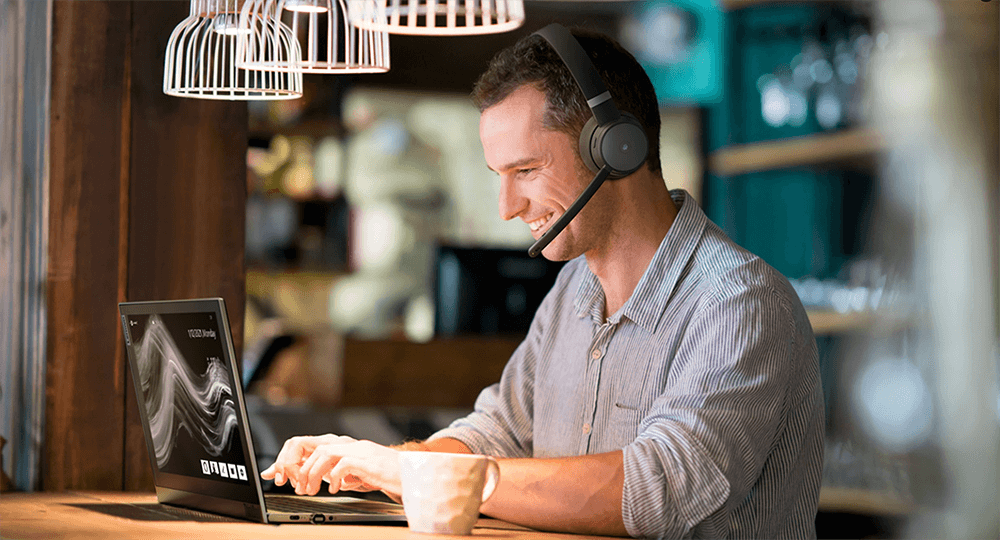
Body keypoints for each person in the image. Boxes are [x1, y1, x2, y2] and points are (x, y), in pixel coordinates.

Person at [261, 27, 825, 539]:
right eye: (499, 177)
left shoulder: (739, 304)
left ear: (615, 149)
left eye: (526, 171)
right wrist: (377, 463)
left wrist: (415, 472)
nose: (507, 208)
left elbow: (659, 491)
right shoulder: (570, 294)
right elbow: (495, 434)